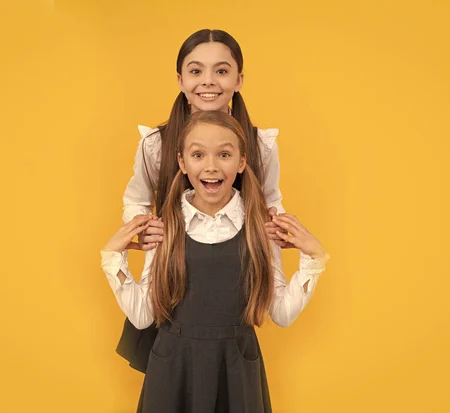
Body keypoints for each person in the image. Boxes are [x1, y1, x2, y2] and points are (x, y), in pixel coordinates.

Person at [101, 110, 329, 412]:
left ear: (242, 161)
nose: (211, 166)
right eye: (198, 154)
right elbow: (144, 316)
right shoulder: (165, 226)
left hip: (236, 368)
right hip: (173, 370)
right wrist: (113, 259)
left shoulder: (260, 228)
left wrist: (313, 259)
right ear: (182, 163)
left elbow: (282, 314)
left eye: (224, 154)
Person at [117, 28, 289, 373]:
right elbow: (136, 200)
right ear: (180, 79)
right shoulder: (156, 143)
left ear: (239, 79)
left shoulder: (260, 145)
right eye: (196, 71)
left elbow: (271, 201)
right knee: (176, 381)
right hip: (175, 282)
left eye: (221, 71)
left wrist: (277, 227)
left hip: (229, 281)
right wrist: (143, 228)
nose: (208, 81)